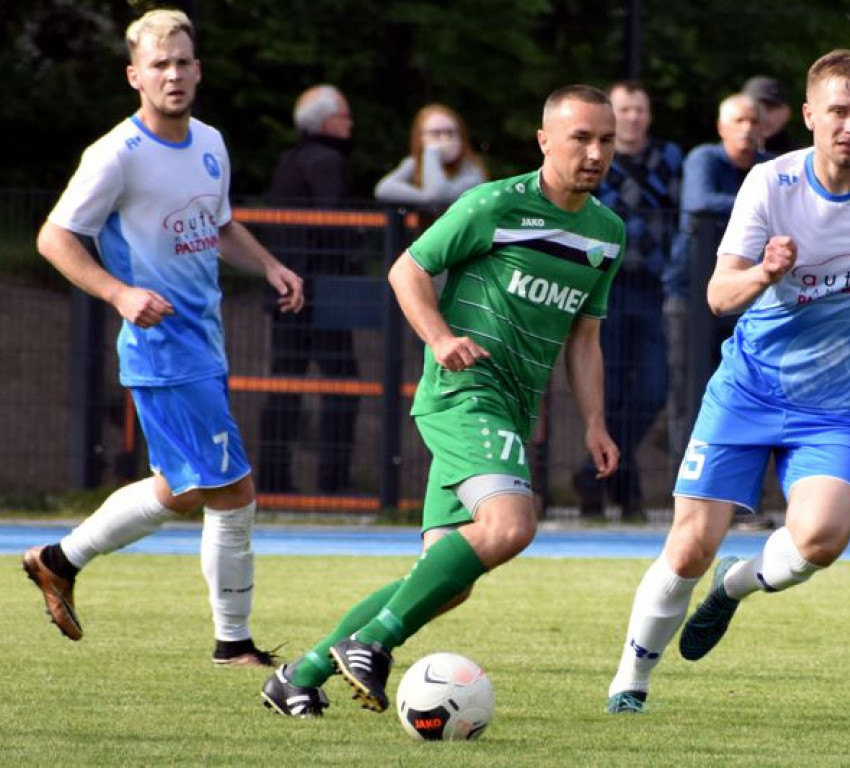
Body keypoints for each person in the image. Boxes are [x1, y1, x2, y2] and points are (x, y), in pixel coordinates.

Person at [606, 49, 850, 715]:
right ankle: (630, 683)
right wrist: (763, 272)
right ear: (810, 115)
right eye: (839, 110)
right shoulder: (771, 185)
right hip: (747, 391)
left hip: (831, 411)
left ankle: (733, 588)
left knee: (822, 537)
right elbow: (718, 296)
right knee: (691, 544)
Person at [261, 84, 624, 718]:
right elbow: (407, 269)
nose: (596, 152)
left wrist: (594, 419)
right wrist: (440, 336)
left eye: (607, 140)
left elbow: (585, 338)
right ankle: (372, 642)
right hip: (465, 394)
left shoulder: (607, 233)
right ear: (545, 141)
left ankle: (299, 674)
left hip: (511, 408)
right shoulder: (493, 204)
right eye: (581, 138)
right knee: (511, 526)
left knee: (442, 582)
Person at [21, 9, 304, 667]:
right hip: (164, 351)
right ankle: (232, 644)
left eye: (182, 62)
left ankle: (58, 560)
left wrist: (268, 264)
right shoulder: (116, 155)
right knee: (234, 489)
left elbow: (220, 223)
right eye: (158, 65)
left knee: (180, 489)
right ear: (134, 76)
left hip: (203, 344)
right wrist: (119, 293)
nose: (172, 74)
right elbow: (53, 237)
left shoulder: (209, 141)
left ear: (197, 69)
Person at [573, 80, 683, 520]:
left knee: (654, 389)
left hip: (656, 287)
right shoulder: (598, 159)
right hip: (606, 285)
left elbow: (683, 212)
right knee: (610, 390)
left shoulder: (668, 158)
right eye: (624, 109)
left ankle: (591, 473)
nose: (633, 117)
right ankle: (622, 487)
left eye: (639, 109)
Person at [257, 85, 359, 494]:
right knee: (344, 385)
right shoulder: (327, 161)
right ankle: (334, 484)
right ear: (326, 121)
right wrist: (351, 247)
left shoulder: (290, 160)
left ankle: (273, 478)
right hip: (320, 293)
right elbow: (331, 220)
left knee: (285, 381)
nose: (350, 123)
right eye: (345, 115)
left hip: (285, 288)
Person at [663, 94, 770, 463]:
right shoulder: (704, 158)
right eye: (738, 121)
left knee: (741, 386)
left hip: (745, 297)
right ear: (721, 127)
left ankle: (731, 476)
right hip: (688, 292)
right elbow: (699, 201)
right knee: (686, 385)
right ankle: (686, 470)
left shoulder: (769, 167)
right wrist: (758, 204)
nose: (747, 129)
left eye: (754, 122)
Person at [374, 103, 487, 209]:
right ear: (420, 137)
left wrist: (432, 153)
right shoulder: (414, 163)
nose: (444, 139)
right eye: (436, 133)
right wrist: (425, 198)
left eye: (451, 133)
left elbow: (437, 196)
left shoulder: (473, 171)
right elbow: (383, 189)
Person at [743, 75, 800, 156]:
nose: (763, 114)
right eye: (755, 108)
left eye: (770, 108)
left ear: (787, 113)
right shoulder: (723, 158)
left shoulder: (798, 158)